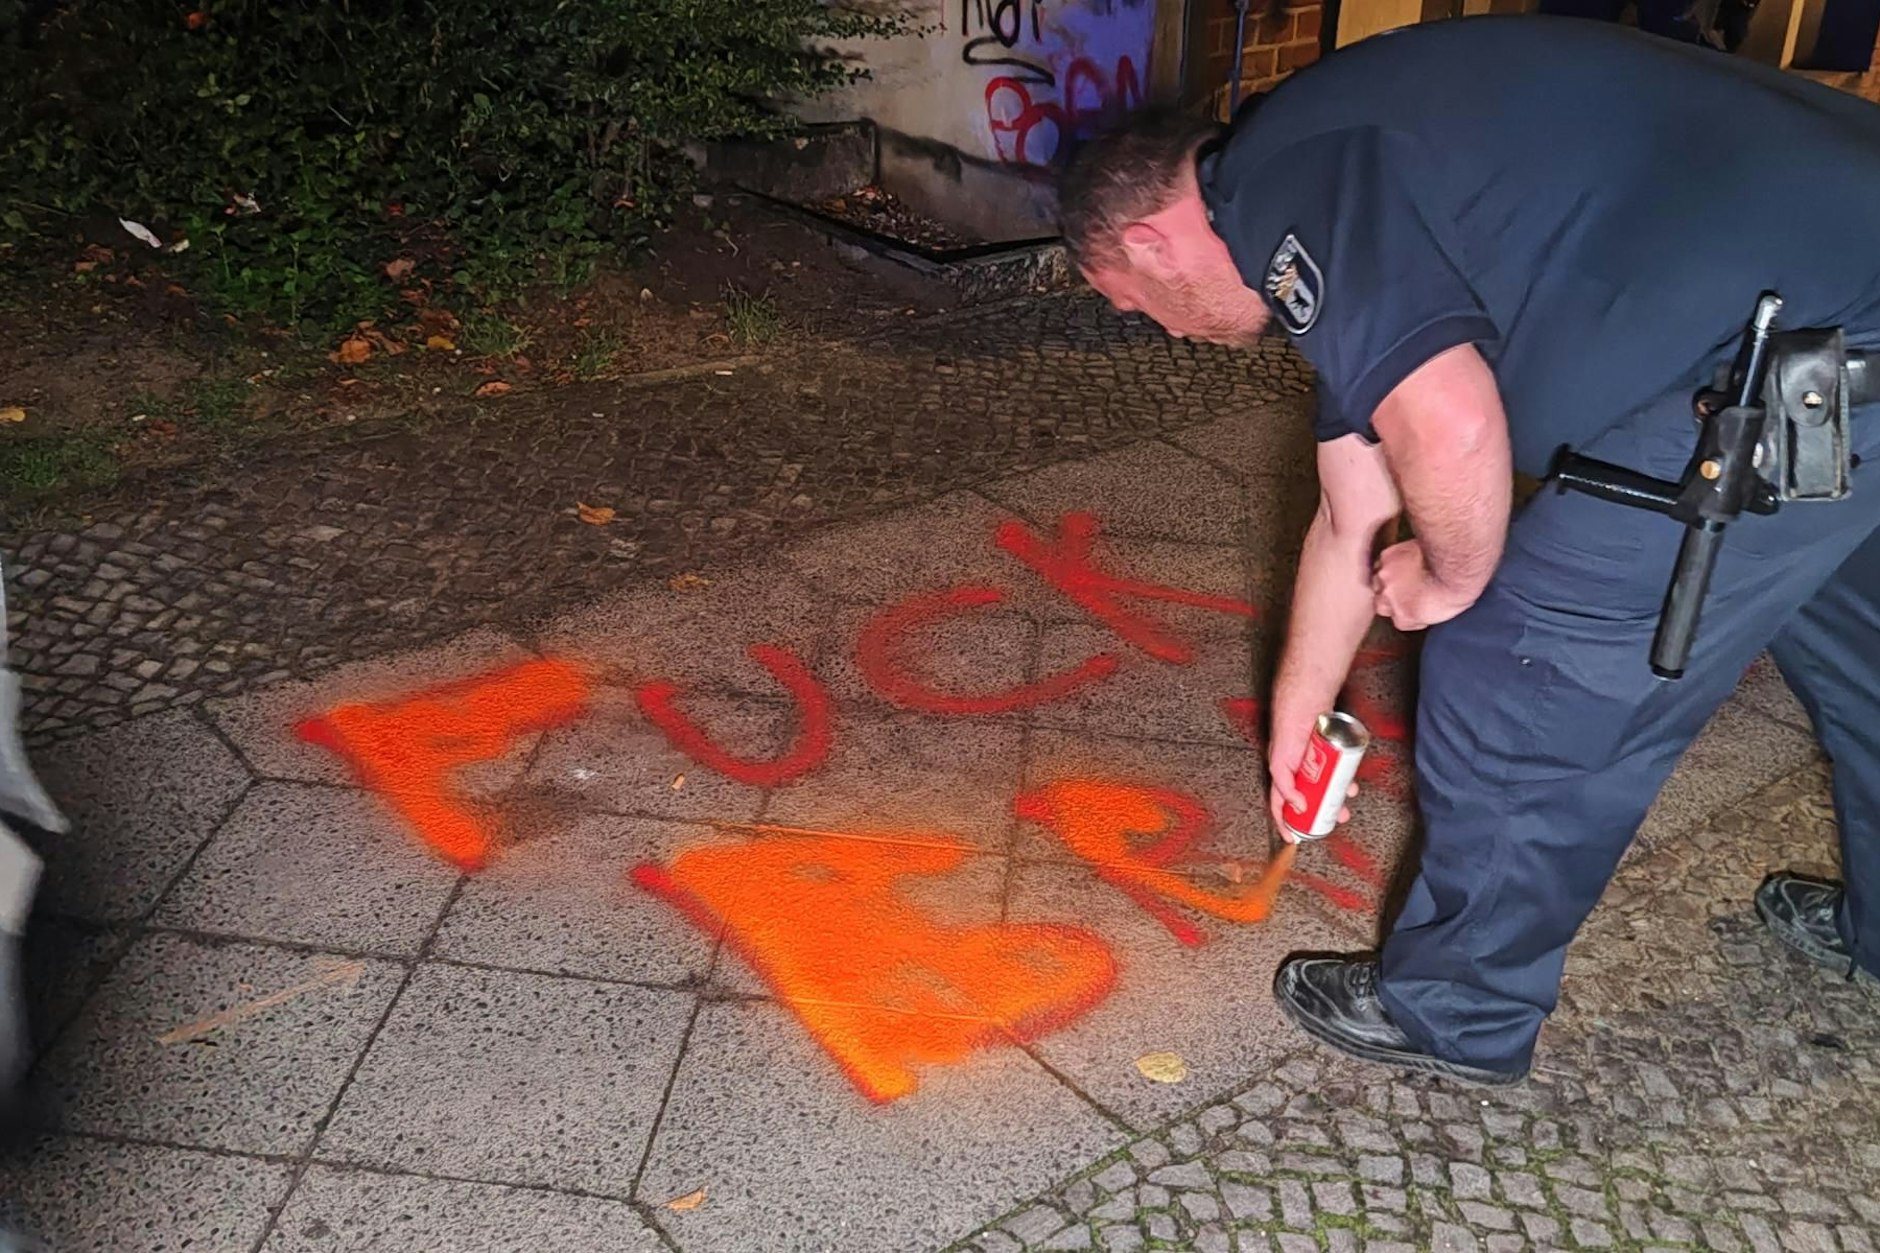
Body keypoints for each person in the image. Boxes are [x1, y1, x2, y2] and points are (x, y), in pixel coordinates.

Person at [1056, 13, 1880, 1086]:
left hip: (1804, 353)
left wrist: (1449, 578)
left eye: (1138, 305)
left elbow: (1449, 429)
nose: (1166, 331)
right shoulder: (1330, 167)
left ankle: (1457, 1007)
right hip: (1847, 300)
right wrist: (1294, 722)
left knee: (1519, 658)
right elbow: (1350, 511)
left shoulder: (1285, 194)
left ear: (1149, 241)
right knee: (1861, 653)